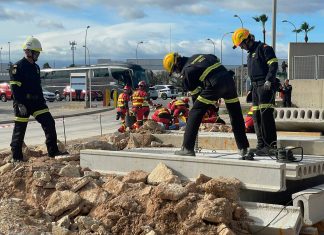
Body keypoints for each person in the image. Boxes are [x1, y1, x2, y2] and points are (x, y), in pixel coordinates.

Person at [163, 52, 250, 159]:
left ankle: (187, 148)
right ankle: (243, 148)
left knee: (194, 113)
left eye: (175, 70)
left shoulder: (187, 72)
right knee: (235, 114)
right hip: (229, 82)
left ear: (176, 65)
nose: (177, 72)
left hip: (215, 84)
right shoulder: (198, 56)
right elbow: (214, 59)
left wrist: (202, 109)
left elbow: (196, 99)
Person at [9, 36, 66, 162]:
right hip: (22, 103)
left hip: (37, 103)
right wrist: (19, 104)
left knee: (49, 123)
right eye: (37, 52)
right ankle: (16, 157)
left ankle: (53, 151)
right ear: (29, 52)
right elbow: (15, 88)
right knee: (20, 129)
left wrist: (42, 102)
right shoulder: (17, 67)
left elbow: (37, 87)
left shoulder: (36, 67)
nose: (38, 55)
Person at [232, 28, 278, 156]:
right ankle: (261, 145)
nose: (241, 47)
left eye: (241, 44)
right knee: (256, 116)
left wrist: (269, 80)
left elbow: (273, 64)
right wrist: (251, 90)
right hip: (256, 88)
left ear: (247, 39)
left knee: (266, 116)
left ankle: (270, 145)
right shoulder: (250, 54)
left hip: (265, 86)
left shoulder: (264, 48)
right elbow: (253, 75)